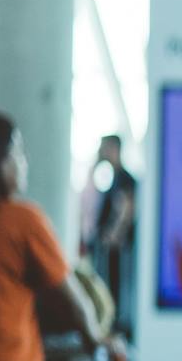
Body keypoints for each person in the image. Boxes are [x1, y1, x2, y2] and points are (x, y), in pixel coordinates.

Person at [0, 115, 120, 361]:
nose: (24, 163)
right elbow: (72, 296)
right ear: (1, 162)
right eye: (18, 154)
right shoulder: (25, 220)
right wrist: (95, 339)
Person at [80, 134, 137, 339]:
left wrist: (115, 235)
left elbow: (127, 209)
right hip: (107, 247)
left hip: (119, 249)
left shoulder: (125, 179)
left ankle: (116, 327)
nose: (102, 153)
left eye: (105, 148)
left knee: (117, 288)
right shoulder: (108, 177)